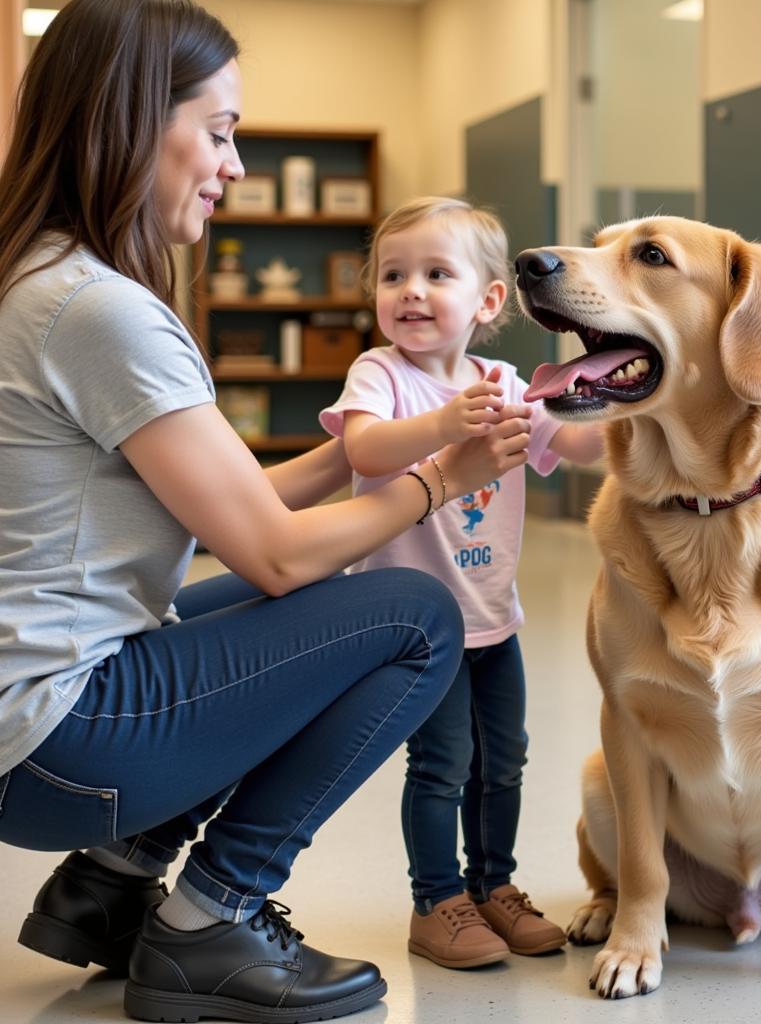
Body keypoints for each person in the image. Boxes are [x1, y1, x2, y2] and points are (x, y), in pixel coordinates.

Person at [0, 4, 533, 1022]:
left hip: (27, 732)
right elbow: (284, 556)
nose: (233, 165)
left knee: (268, 605)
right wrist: (445, 475)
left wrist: (368, 451)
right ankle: (213, 915)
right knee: (411, 614)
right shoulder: (98, 310)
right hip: (55, 747)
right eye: (221, 129)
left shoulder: (40, 281)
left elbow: (234, 511)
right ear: (130, 119)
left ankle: (106, 885)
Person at [318, 196, 604, 970]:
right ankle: (435, 899)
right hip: (419, 626)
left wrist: (624, 402)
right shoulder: (380, 373)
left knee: (503, 758)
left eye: (435, 274)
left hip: (493, 619)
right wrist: (445, 429)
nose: (410, 290)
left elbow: (575, 447)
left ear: (487, 301)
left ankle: (493, 888)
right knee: (441, 764)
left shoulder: (507, 381)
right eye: (393, 275)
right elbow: (368, 452)